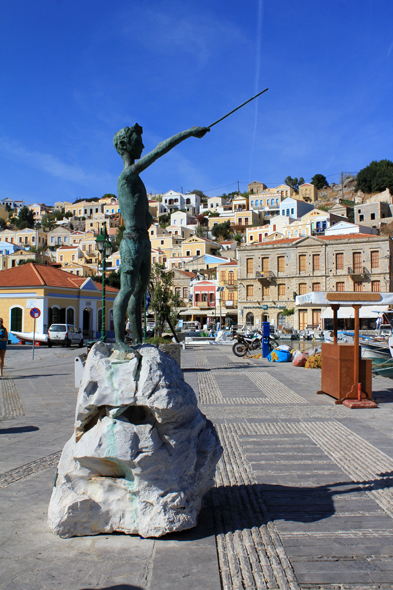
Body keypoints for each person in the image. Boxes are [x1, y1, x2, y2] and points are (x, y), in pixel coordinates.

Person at [112, 123, 209, 351]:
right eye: (138, 141)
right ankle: (118, 341)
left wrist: (146, 218)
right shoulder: (126, 176)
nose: (143, 145)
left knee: (140, 291)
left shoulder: (136, 181)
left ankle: (137, 341)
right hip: (132, 241)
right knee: (127, 289)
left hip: (144, 241)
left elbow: (143, 216)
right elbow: (158, 151)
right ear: (126, 145)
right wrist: (188, 132)